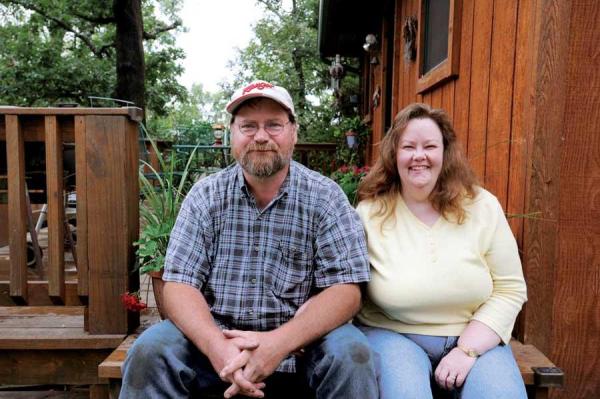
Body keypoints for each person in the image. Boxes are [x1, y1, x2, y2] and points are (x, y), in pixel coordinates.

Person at [120, 80, 379, 398]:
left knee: (352, 353)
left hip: (300, 353)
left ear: (293, 133)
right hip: (214, 353)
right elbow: (178, 285)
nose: (260, 136)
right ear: (232, 134)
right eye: (248, 126)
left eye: (274, 125)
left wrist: (276, 344)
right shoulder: (206, 196)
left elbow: (347, 290)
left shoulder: (326, 198)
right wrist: (218, 348)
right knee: (151, 350)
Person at [355, 103, 528, 398]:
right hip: (394, 335)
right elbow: (349, 288)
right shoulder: (370, 212)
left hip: (478, 337)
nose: (419, 155)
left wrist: (467, 349)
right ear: (394, 154)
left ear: (445, 153)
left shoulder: (482, 205)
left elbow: (510, 289)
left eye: (430, 146)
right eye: (408, 146)